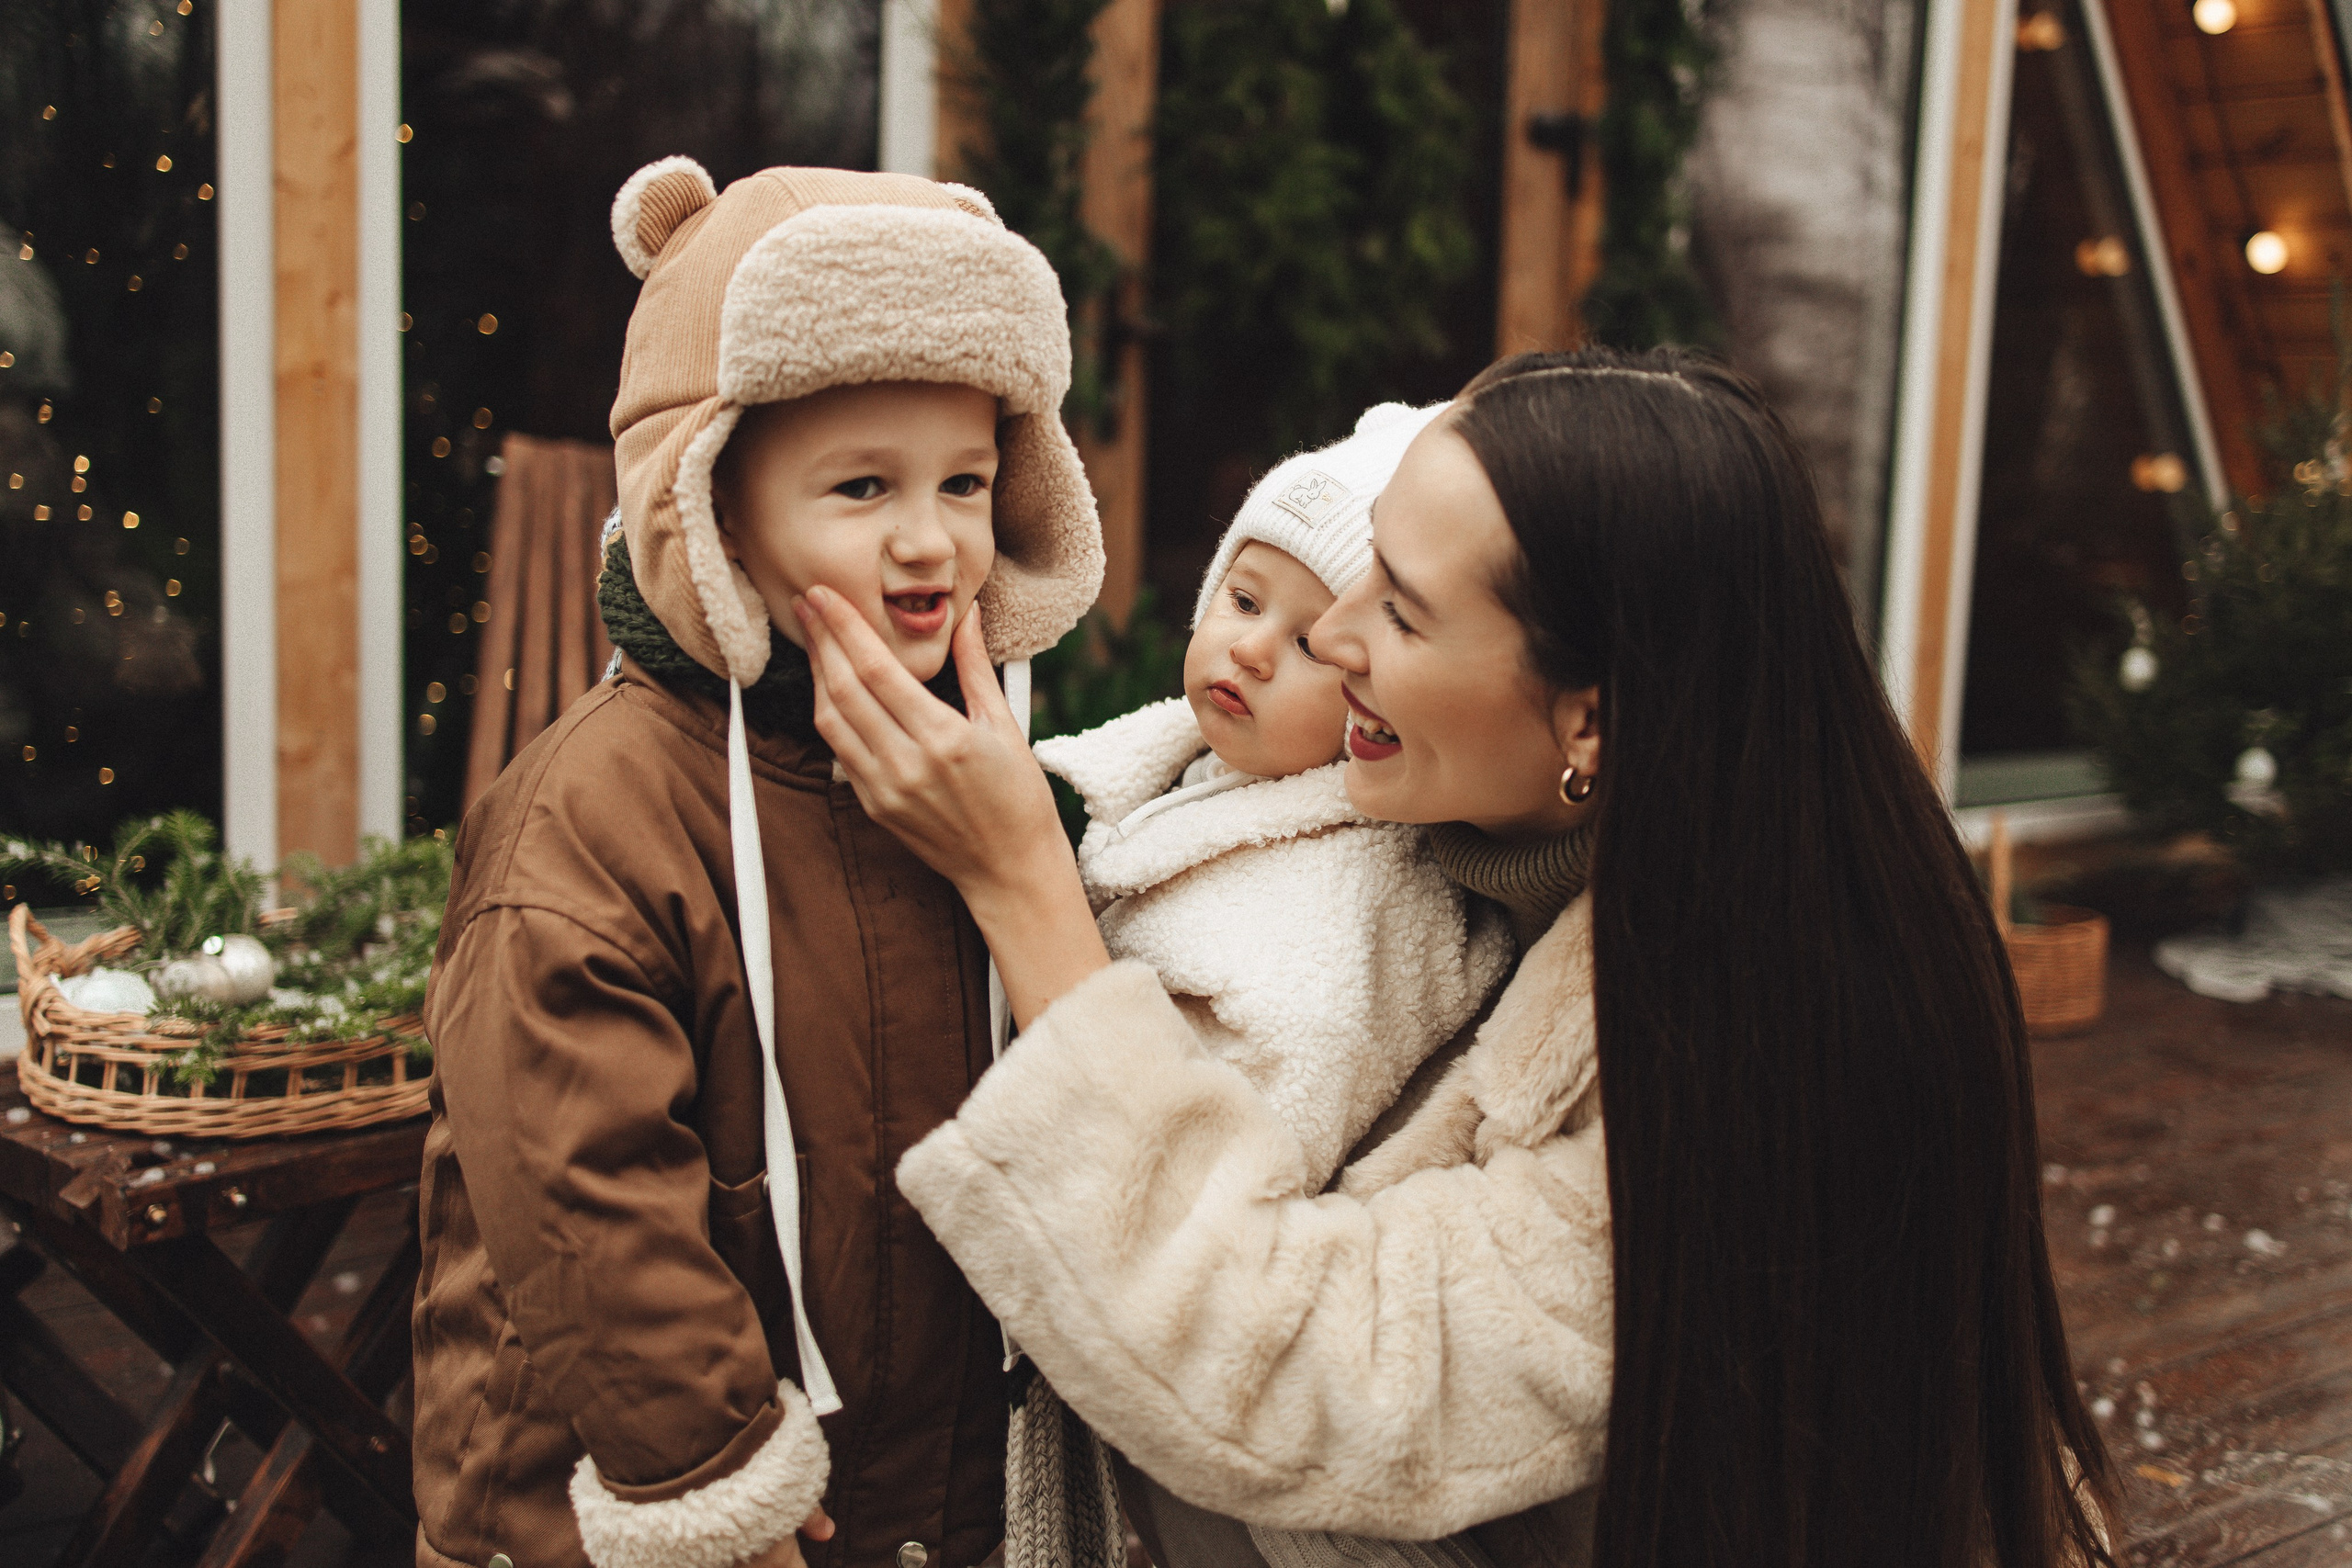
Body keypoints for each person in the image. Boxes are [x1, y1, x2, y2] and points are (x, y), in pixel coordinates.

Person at [796, 347, 2118, 1568]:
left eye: (1407, 615)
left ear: (1588, 717)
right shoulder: (1611, 841)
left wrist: (1023, 882)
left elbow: (1303, 1368)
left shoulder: (1757, 1050)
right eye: (1364, 564)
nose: (1337, 634)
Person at [410, 158, 1102, 1568]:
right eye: (861, 486)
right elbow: (586, 1196)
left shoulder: (967, 783)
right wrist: (716, 1491)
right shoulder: (593, 813)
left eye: (966, 480)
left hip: (907, 1502)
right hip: (630, 1516)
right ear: (715, 507)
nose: (932, 541)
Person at [1034, 400, 1510, 1192]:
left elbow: (1233, 1162)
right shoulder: (1195, 773)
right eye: (1245, 602)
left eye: (1308, 643)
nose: (1250, 650)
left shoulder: (1352, 904)